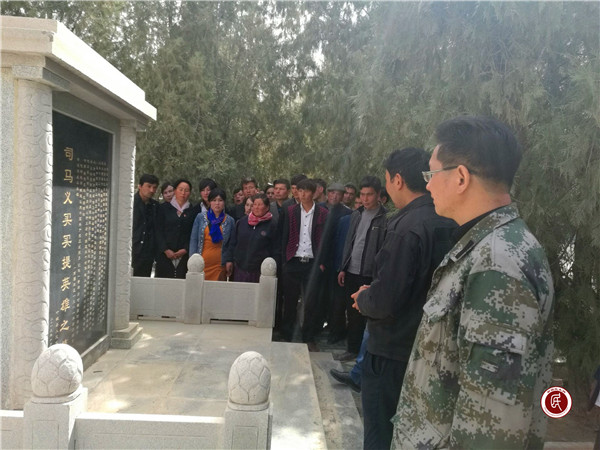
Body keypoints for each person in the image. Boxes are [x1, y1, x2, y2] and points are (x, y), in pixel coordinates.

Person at [392, 116, 555, 449]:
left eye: (431, 175)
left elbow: (491, 425)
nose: (428, 186)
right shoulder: (485, 246)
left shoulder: (497, 264)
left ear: (461, 177)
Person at [350, 149, 456, 449]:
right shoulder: (448, 219)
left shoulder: (405, 226)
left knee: (380, 433)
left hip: (391, 351)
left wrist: (364, 298)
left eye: (386, 181)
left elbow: (385, 300)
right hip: (430, 349)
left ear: (397, 180)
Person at [334, 175, 388, 362]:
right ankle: (352, 349)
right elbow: (349, 241)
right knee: (352, 313)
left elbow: (385, 249)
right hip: (351, 271)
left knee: (368, 314)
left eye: (369, 194)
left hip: (370, 274)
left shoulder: (385, 218)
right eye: (362, 194)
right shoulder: (356, 215)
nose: (365, 199)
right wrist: (343, 267)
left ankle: (367, 355)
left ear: (378, 195)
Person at [280, 178, 328, 342]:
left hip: (313, 263)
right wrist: (284, 261)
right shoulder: (290, 211)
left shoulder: (323, 213)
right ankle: (287, 335)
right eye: (300, 191)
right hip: (293, 260)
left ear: (313, 193)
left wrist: (322, 263)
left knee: (311, 303)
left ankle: (308, 337)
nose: (302, 194)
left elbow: (327, 240)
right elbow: (283, 235)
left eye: (306, 191)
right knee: (290, 301)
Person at [229, 193, 280, 283]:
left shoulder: (273, 225)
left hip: (261, 271)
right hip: (240, 268)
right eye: (254, 204)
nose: (256, 207)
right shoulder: (242, 222)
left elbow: (276, 249)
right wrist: (230, 260)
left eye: (260, 205)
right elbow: (233, 243)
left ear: (267, 207)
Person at [189, 188, 235, 281]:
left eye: (220, 200)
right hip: (202, 262)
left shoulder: (230, 221)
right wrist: (192, 260)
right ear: (209, 202)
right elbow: (194, 240)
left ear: (224, 202)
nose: (217, 203)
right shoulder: (200, 217)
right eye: (214, 200)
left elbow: (232, 243)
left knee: (217, 288)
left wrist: (229, 260)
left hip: (219, 263)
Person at [155, 179, 196, 279]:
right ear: (175, 191)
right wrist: (165, 249)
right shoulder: (163, 208)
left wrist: (185, 249)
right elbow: (158, 230)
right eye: (180, 189)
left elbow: (193, 233)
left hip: (184, 255)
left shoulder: (193, 211)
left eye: (186, 190)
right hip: (164, 254)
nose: (183, 193)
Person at [132, 174, 159, 277]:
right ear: (140, 186)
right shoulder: (131, 203)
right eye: (149, 186)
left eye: (154, 187)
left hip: (148, 254)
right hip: (132, 250)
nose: (152, 190)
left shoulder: (155, 206)